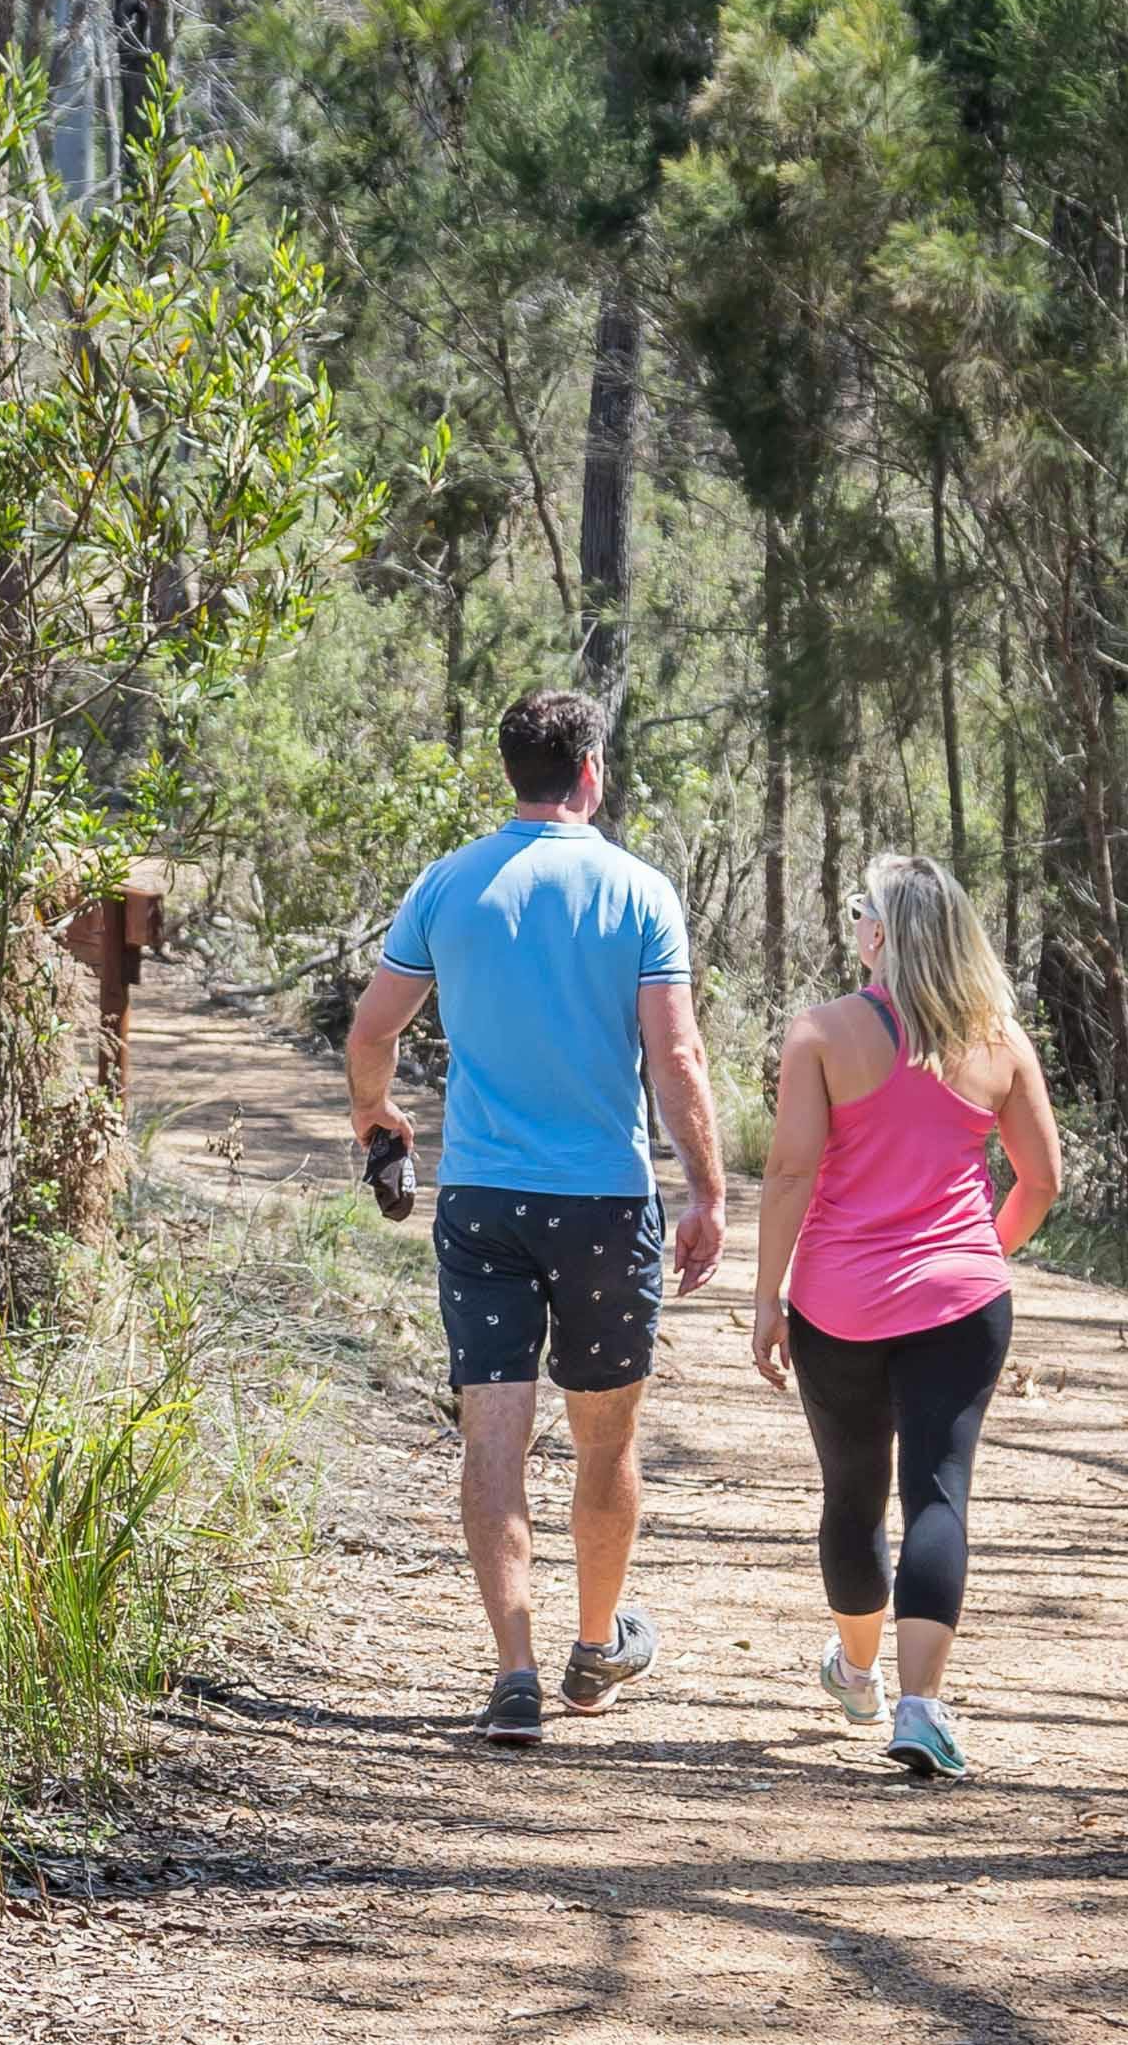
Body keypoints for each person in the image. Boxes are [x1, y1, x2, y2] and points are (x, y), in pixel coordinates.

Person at [345, 691, 727, 1746]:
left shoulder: (449, 883)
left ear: (510, 772)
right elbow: (676, 1055)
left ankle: (513, 1673)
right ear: (591, 771)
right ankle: (593, 1648)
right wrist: (707, 1189)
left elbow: (373, 1030)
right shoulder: (637, 891)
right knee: (605, 1440)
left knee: (494, 1432)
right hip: (604, 1202)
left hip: (482, 1199)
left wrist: (376, 1119)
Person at [747, 851, 1061, 1780]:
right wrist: (979, 1254)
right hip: (963, 1306)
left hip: (837, 1307)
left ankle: (856, 1670)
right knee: (939, 1491)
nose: (853, 928)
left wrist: (768, 1296)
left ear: (878, 933)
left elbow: (792, 1172)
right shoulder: (999, 1038)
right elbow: (1041, 1180)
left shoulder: (822, 1034)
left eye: (857, 914)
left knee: (853, 1496)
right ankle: (921, 1708)